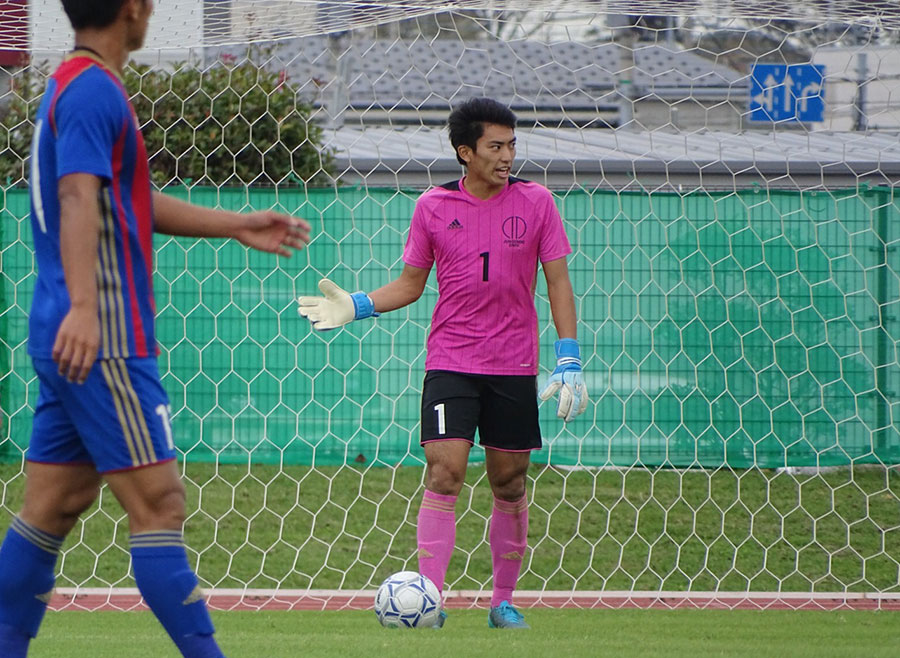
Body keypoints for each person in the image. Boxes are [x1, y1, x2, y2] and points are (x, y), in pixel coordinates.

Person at [0, 1, 311, 656]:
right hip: (101, 332)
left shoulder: (74, 82)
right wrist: (88, 307)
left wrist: (236, 223)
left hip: (67, 327)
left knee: (51, 508)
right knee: (161, 505)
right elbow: (79, 195)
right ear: (134, 8)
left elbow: (121, 199)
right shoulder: (91, 91)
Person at [297, 97, 588, 629]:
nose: (507, 156)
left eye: (512, 145)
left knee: (510, 482)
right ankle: (429, 600)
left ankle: (502, 602)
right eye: (495, 146)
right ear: (465, 152)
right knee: (445, 472)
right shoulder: (433, 206)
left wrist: (568, 355)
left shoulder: (538, 202)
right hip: (451, 362)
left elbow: (559, 281)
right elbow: (411, 285)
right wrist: (356, 305)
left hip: (514, 366)